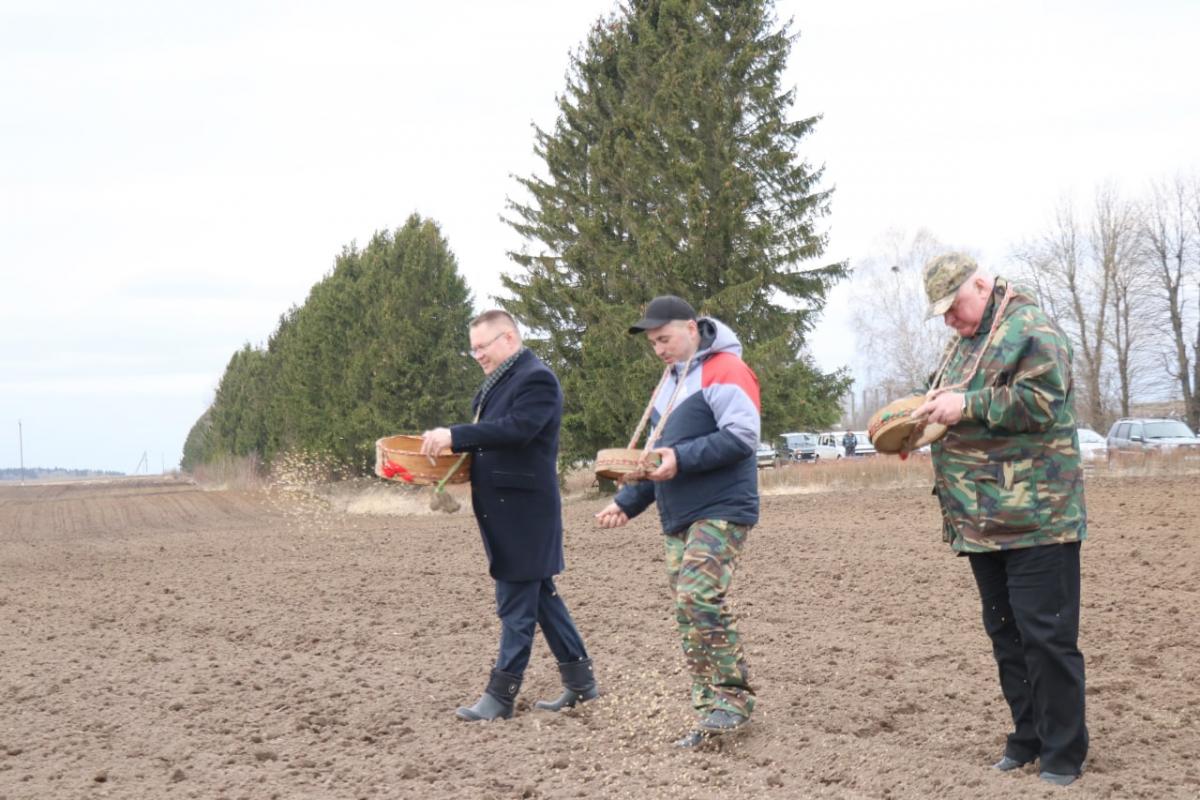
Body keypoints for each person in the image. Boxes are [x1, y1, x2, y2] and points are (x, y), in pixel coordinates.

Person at [913, 253, 1088, 786]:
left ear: (982, 285)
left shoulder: (1032, 328)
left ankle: (1063, 753)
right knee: (1006, 632)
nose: (948, 319)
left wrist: (965, 406)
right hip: (982, 518)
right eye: (941, 312)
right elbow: (955, 397)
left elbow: (1040, 404)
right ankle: (1027, 737)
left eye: (953, 306)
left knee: (1045, 634)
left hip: (1038, 516)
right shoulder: (965, 340)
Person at [595, 295, 760, 748]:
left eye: (664, 339)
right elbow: (657, 461)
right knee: (688, 614)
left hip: (721, 508)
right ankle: (710, 714)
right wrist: (627, 502)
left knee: (697, 596)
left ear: (691, 328)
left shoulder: (725, 369)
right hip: (678, 514)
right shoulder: (668, 384)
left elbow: (743, 437)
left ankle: (732, 699)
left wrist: (680, 458)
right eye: (652, 343)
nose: (659, 349)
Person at [421, 310, 598, 721]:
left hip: (525, 513)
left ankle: (500, 696)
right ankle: (581, 683)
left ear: (509, 339)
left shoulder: (537, 379)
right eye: (473, 349)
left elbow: (518, 429)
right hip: (506, 510)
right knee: (542, 600)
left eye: (482, 346)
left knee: (515, 604)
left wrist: (457, 434)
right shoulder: (496, 385)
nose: (477, 355)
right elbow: (496, 439)